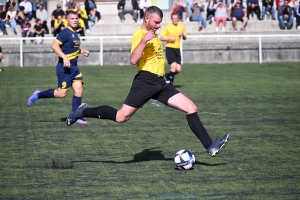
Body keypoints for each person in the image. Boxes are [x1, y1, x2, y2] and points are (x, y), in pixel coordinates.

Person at [65, 6, 229, 157]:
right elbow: (133, 60)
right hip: (145, 81)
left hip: (160, 83)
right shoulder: (140, 35)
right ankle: (83, 111)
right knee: (121, 117)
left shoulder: (154, 33)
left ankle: (210, 146)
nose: (158, 25)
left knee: (191, 107)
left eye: (160, 22)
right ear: (147, 19)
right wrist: (144, 40)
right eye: (156, 22)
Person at [27, 11, 90, 125]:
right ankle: (37, 95)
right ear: (67, 20)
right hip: (64, 68)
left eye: (76, 18)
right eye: (72, 18)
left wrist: (82, 51)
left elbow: (72, 48)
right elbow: (54, 46)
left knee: (79, 89)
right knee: (61, 94)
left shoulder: (75, 33)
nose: (75, 20)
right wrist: (64, 58)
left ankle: (75, 117)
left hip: (74, 68)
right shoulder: (65, 33)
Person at [160, 12, 186, 86]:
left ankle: (169, 75)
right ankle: (169, 83)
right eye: (174, 18)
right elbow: (161, 37)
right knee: (174, 67)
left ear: (178, 18)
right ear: (171, 19)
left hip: (177, 49)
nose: (175, 20)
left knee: (178, 69)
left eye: (176, 18)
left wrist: (182, 35)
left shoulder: (181, 26)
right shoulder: (168, 27)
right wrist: (169, 38)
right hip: (169, 48)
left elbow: (185, 37)